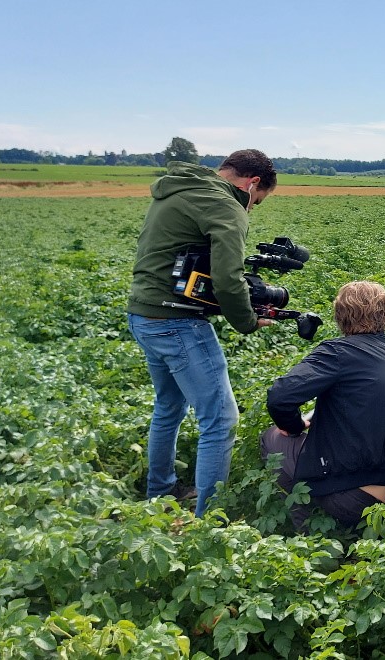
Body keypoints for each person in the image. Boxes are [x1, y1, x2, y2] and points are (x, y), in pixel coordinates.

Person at [127, 149, 278, 517]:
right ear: (251, 183)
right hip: (176, 321)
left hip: (143, 313)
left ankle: (159, 493)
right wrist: (246, 320)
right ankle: (208, 523)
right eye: (256, 201)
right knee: (221, 418)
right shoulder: (226, 205)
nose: (251, 208)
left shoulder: (181, 188)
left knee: (169, 406)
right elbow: (229, 279)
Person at [261, 281, 385, 532]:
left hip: (350, 498)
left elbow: (279, 398)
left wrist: (294, 426)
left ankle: (305, 531)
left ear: (340, 315)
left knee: (272, 439)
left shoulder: (337, 352)